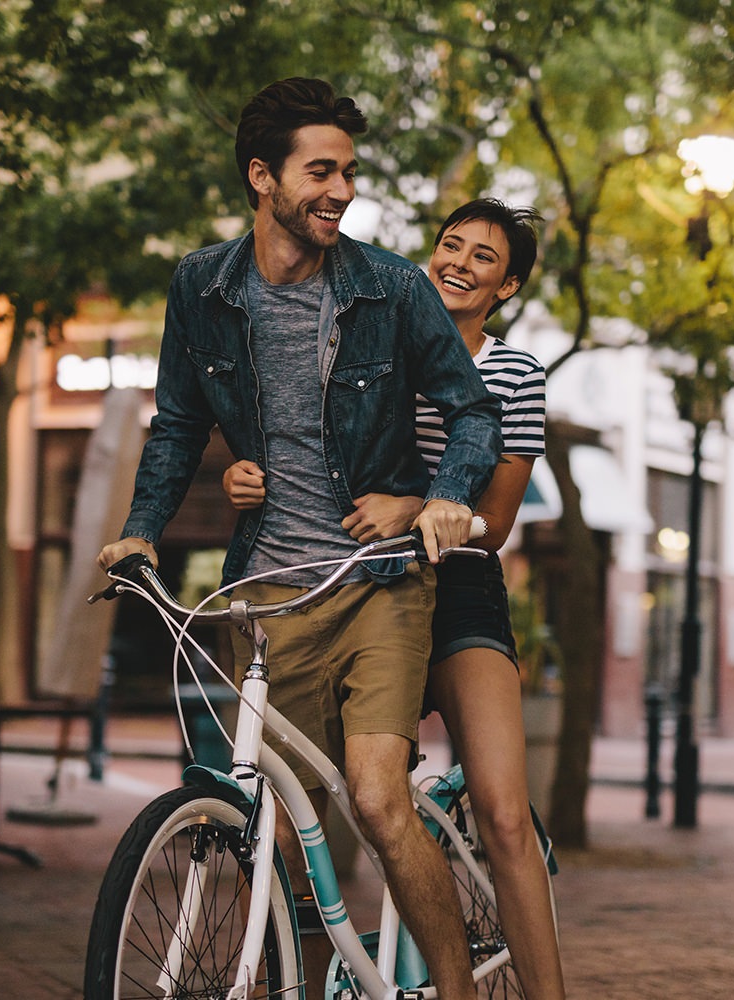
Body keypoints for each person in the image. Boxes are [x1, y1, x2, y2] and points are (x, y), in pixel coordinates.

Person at [97, 78, 499, 999]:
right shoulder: (201, 285)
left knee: (376, 796)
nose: (342, 189)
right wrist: (138, 534)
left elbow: (472, 410)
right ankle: (303, 982)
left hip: (378, 584)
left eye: (348, 172)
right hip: (268, 593)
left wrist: (435, 497)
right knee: (278, 830)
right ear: (261, 177)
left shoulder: (389, 286)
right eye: (322, 170)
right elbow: (176, 424)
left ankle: (457, 990)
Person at [223, 198, 566, 998]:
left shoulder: (514, 372)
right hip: (359, 583)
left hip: (461, 589)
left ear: (506, 285)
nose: (460, 263)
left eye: (484, 257)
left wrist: (419, 508)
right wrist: (240, 470)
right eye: (451, 245)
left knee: (504, 813)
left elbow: (500, 522)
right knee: (340, 802)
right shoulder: (373, 339)